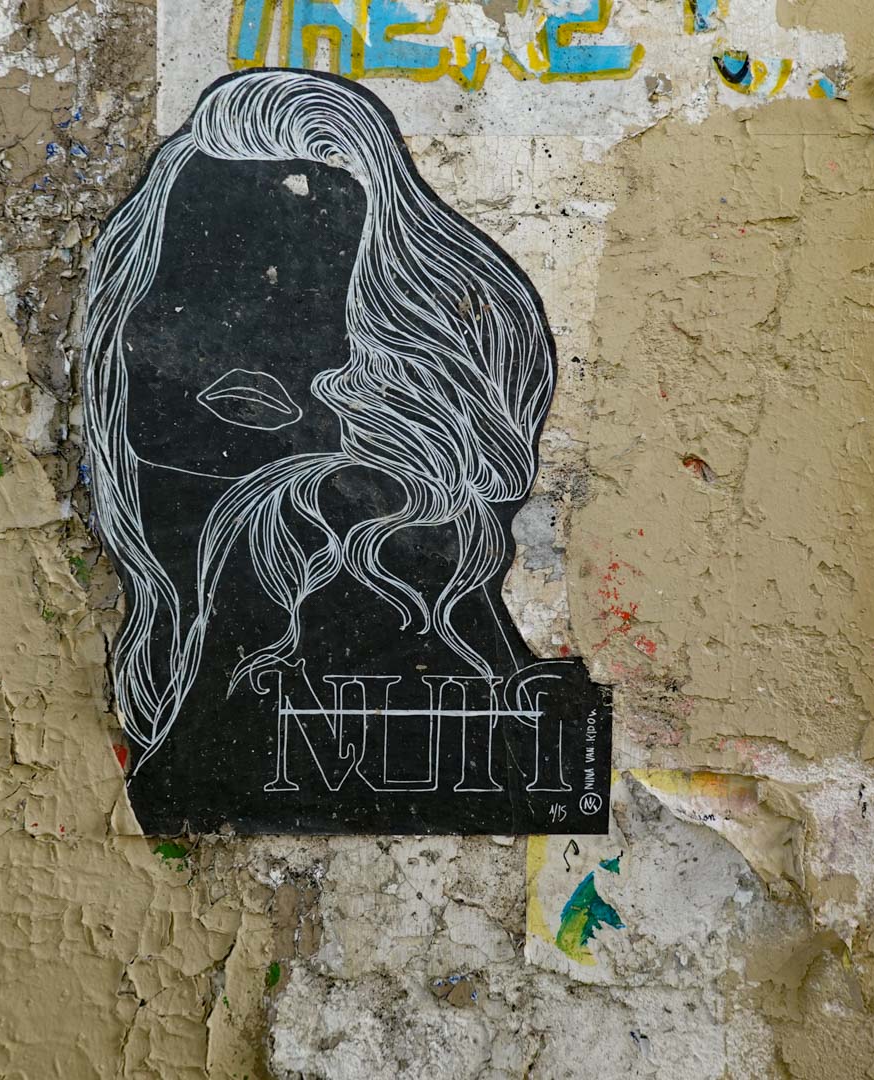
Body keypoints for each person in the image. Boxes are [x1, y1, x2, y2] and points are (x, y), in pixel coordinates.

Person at [82, 69, 609, 834]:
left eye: (304, 292)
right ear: (124, 324)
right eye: (204, 282)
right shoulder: (181, 604)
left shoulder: (350, 549)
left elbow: (187, 801)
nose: (243, 338)